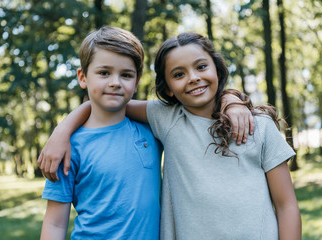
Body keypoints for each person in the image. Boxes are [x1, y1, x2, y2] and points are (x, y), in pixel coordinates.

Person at [38, 32, 292, 239]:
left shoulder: (257, 126)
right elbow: (107, 103)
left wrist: (232, 99)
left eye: (201, 66)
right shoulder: (164, 121)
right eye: (178, 74)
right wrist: (62, 131)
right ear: (168, 89)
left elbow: (287, 206)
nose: (193, 78)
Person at [40, 26, 163, 240]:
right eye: (104, 72)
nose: (115, 82)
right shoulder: (67, 148)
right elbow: (54, 223)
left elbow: (197, 108)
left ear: (137, 82)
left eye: (126, 75)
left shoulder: (153, 130)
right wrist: (63, 131)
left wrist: (232, 101)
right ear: (83, 77)